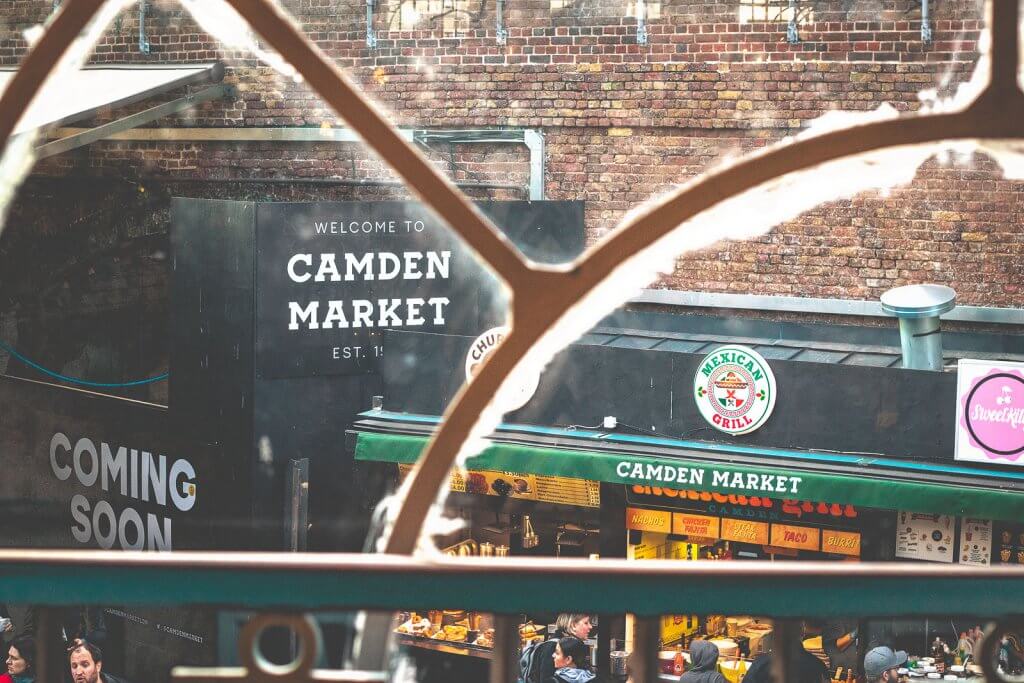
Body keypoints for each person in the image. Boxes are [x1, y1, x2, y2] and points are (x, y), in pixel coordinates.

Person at [521, 614, 593, 683]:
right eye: (586, 623)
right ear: (573, 625)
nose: (590, 626)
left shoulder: (573, 645)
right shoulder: (552, 647)